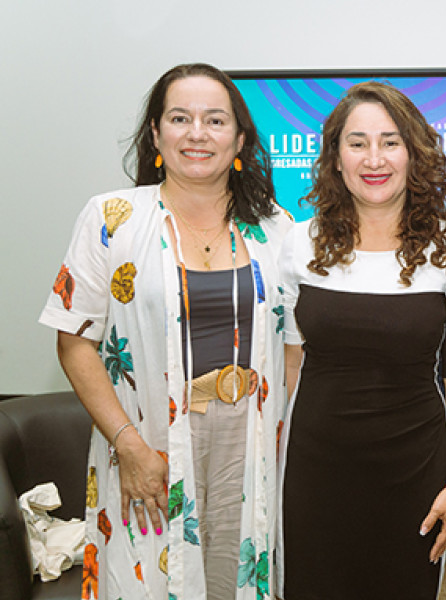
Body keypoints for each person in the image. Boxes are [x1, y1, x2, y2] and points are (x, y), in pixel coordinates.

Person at [39, 63, 292, 600]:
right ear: (156, 133)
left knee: (235, 575)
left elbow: (294, 346)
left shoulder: (276, 228)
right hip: (146, 440)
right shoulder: (112, 218)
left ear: (240, 137)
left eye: (215, 120)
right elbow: (73, 339)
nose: (198, 133)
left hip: (248, 440)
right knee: (149, 578)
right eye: (180, 118)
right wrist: (128, 447)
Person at [278, 81, 446, 599]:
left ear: (414, 154)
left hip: (414, 472)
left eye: (391, 142)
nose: (375, 158)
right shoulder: (299, 243)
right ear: (336, 157)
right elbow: (288, 364)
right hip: (314, 472)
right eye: (358, 142)